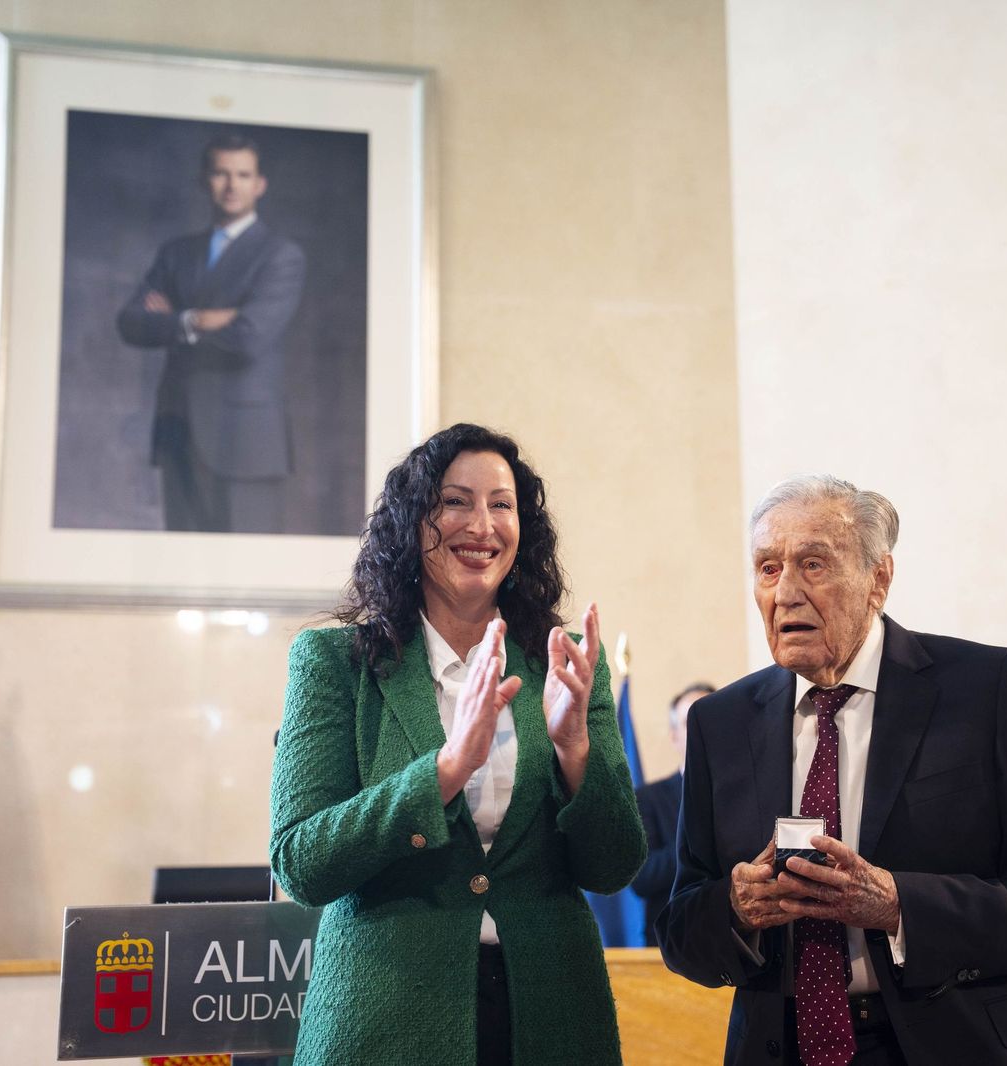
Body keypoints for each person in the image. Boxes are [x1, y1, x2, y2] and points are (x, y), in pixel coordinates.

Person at [656, 475, 1007, 1066]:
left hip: (957, 1045)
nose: (785, 592)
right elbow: (681, 925)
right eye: (767, 568)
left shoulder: (983, 689)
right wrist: (735, 910)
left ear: (879, 579)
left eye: (813, 564)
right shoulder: (719, 722)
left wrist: (899, 906)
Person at [269, 423, 645, 1066]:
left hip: (551, 1015)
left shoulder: (567, 662)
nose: (483, 525)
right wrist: (443, 772)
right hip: (384, 1019)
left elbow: (614, 866)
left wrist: (574, 749)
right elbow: (301, 862)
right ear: (413, 523)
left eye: (502, 505)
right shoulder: (336, 662)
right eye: (455, 501)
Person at [116, 132, 306, 534]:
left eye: (242, 174)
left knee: (249, 574)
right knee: (182, 570)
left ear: (260, 184)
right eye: (221, 173)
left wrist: (172, 321)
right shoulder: (176, 253)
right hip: (178, 428)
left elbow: (249, 337)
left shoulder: (280, 255)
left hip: (246, 438)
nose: (231, 185)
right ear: (205, 180)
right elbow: (131, 322)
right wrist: (198, 319)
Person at [630, 681, 715, 946]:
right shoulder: (648, 798)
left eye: (712, 720)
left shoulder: (749, 793)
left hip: (735, 941)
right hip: (671, 943)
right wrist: (701, 837)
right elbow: (642, 878)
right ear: (675, 735)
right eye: (692, 723)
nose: (704, 731)